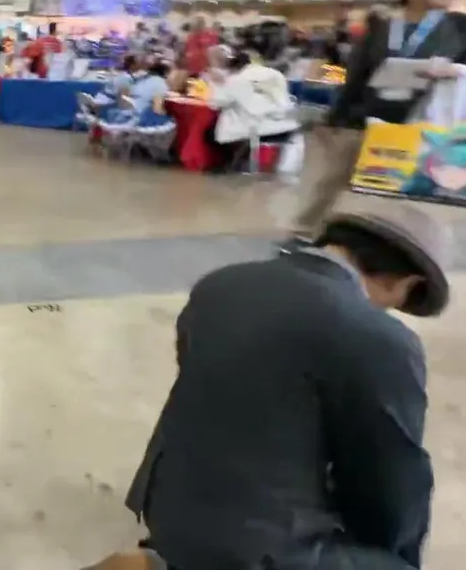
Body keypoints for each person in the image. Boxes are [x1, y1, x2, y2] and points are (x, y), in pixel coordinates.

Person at [125, 205, 449, 570]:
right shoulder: (379, 336)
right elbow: (392, 481)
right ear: (407, 283)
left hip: (166, 507)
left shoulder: (220, 284)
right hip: (253, 549)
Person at [285, 0, 466, 250]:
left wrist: (454, 70)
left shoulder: (464, 27)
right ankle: (305, 233)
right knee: (335, 177)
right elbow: (357, 75)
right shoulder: (383, 27)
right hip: (369, 116)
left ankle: (403, 244)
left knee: (416, 188)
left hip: (426, 121)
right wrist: (337, 117)